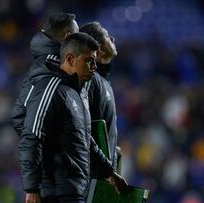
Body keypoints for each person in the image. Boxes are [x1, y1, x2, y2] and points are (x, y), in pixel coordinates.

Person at [19, 33, 127, 203]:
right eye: (88, 61)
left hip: (74, 191)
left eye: (94, 61)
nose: (93, 67)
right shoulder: (51, 89)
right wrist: (32, 188)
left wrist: (110, 173)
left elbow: (85, 139)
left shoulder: (77, 93)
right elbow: (31, 138)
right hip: (56, 192)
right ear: (70, 59)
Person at [11, 12, 79, 137]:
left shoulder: (65, 67)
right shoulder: (46, 68)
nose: (80, 40)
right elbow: (19, 117)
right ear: (67, 37)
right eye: (77, 34)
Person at [79, 22, 120, 173]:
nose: (113, 39)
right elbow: (82, 129)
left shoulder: (102, 81)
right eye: (108, 37)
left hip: (102, 176)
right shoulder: (90, 80)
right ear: (100, 50)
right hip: (90, 178)